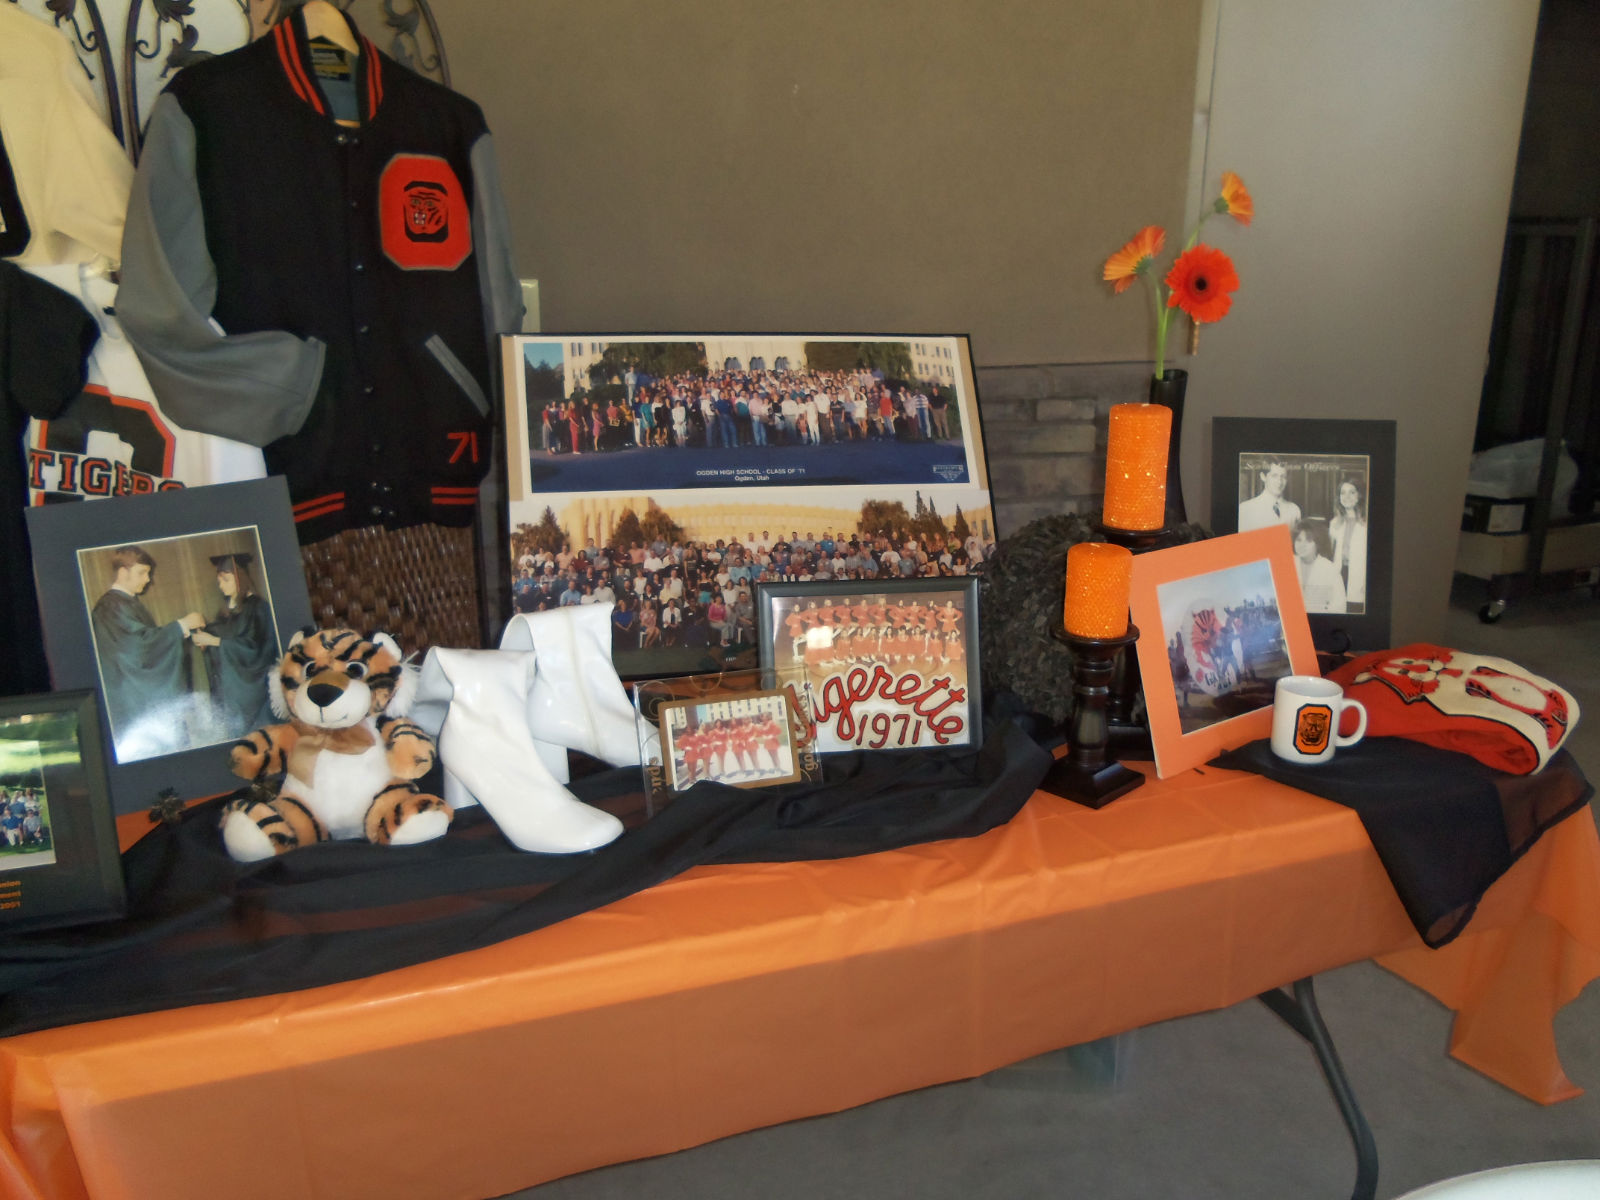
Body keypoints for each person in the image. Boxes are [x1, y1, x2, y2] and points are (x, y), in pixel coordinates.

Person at [89, 546, 205, 757]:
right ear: (123, 572)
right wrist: (181, 625)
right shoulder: (111, 607)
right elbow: (139, 648)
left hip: (134, 692)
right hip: (131, 696)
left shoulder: (124, 603)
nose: (148, 579)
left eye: (148, 573)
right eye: (142, 573)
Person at [191, 552, 277, 733]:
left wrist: (215, 641)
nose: (221, 586)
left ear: (240, 577)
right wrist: (205, 639)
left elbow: (256, 649)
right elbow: (221, 634)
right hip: (229, 689)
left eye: (226, 580)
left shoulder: (259, 607)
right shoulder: (225, 613)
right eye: (219, 581)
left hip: (251, 690)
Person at [1329, 478, 1367, 608]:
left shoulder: (1366, 523)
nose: (1347, 497)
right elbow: (1330, 555)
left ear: (1359, 495)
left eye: (1352, 492)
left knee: (1356, 609)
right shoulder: (1335, 523)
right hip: (1340, 574)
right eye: (1343, 493)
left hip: (1360, 575)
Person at [1293, 524, 1347, 614]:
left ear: (1317, 544)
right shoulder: (1285, 564)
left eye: (1308, 541)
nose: (1302, 545)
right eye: (1299, 540)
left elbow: (1339, 607)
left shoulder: (1330, 569)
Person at [1237, 458, 1301, 532]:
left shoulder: (1294, 510)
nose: (1279, 482)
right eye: (1274, 476)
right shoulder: (1246, 509)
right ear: (1263, 477)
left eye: (1283, 477)